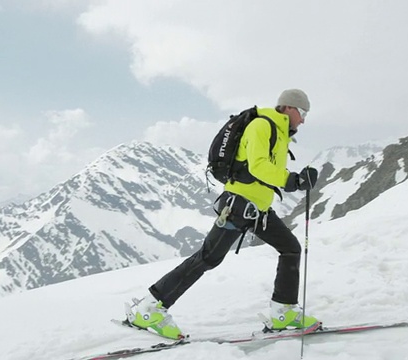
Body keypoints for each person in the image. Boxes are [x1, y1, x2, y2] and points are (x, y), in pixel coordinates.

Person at [125, 89, 320, 339]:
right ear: (289, 108)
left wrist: (300, 179)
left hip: (257, 209)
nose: (303, 120)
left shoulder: (280, 133)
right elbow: (258, 166)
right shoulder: (262, 125)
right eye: (302, 113)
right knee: (208, 257)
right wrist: (291, 180)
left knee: (290, 248)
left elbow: (265, 170)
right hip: (238, 207)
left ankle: (284, 312)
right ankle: (148, 308)